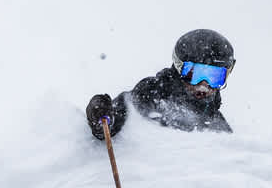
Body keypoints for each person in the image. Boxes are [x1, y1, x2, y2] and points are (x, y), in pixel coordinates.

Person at [86, 28, 235, 139]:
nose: (204, 85)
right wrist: (103, 114)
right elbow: (116, 118)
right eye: (194, 74)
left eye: (215, 77)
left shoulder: (218, 126)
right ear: (179, 67)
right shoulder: (154, 94)